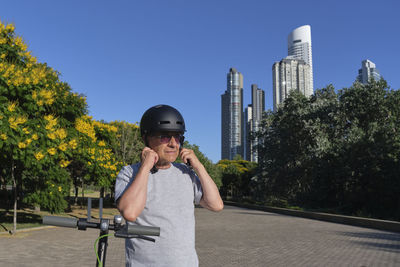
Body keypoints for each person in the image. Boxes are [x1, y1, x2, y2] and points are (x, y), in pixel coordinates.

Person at [115, 104, 224, 267]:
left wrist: (199, 167)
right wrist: (146, 166)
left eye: (178, 137)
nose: (174, 144)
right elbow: (130, 212)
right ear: (146, 138)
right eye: (165, 137)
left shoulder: (186, 173)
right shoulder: (129, 173)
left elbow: (216, 205)